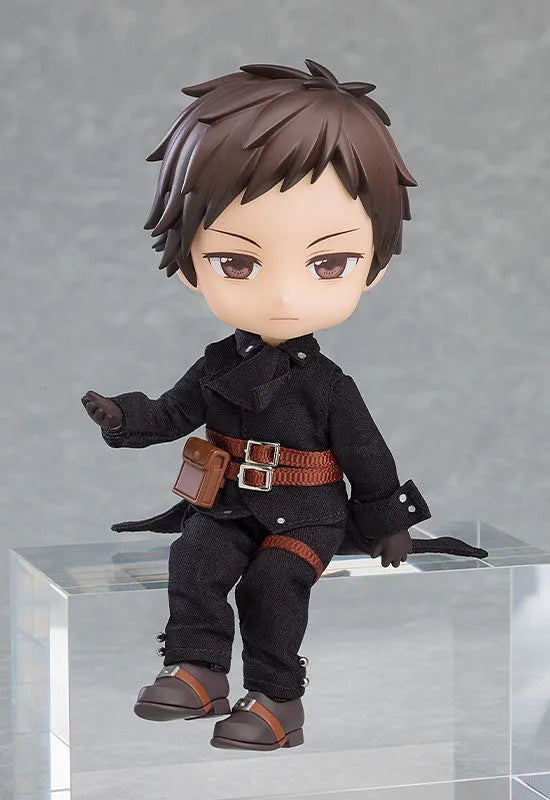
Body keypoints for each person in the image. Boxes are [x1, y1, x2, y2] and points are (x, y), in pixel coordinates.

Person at [81, 59, 487, 752]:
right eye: (238, 263)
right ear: (190, 265)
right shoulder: (216, 365)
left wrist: (388, 523)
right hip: (227, 505)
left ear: (372, 267)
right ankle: (198, 669)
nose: (284, 295)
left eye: (327, 264)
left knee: (272, 586)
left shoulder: (328, 385)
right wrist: (124, 417)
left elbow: (368, 456)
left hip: (307, 513)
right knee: (194, 561)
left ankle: (276, 701)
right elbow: (173, 413)